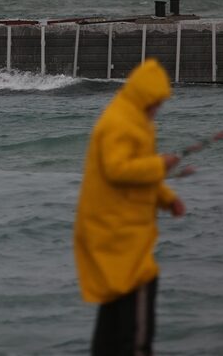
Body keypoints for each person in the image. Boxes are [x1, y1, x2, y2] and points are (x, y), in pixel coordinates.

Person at [73, 58, 190, 356]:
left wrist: (166, 198)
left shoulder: (132, 118)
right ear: (144, 97)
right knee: (135, 332)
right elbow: (118, 170)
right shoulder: (121, 123)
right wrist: (160, 163)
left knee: (112, 322)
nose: (157, 108)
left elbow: (136, 176)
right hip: (120, 238)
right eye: (155, 102)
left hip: (115, 233)